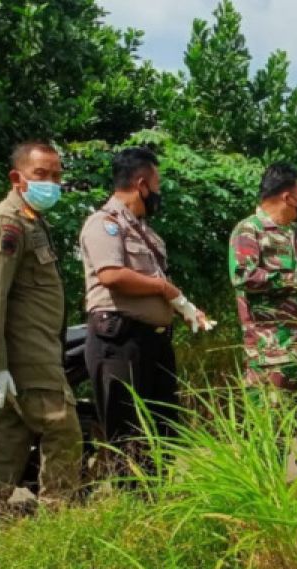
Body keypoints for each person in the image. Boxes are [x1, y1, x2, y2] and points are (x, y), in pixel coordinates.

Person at [0, 141, 81, 516]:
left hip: (38, 348)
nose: (51, 182)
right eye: (41, 174)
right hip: (26, 351)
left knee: (13, 438)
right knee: (62, 429)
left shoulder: (32, 219)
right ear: (17, 178)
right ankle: (57, 516)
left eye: (56, 175)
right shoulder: (9, 222)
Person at [79, 147, 210, 463]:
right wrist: (166, 289)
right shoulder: (104, 224)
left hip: (154, 341)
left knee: (163, 430)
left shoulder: (145, 232)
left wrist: (185, 306)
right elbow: (111, 275)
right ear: (141, 184)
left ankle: (161, 504)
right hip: (121, 340)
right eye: (157, 184)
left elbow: (153, 285)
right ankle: (133, 506)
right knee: (129, 434)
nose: (158, 192)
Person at [229, 162, 297, 396]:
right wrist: (295, 280)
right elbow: (243, 276)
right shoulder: (249, 230)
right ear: (287, 197)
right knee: (274, 428)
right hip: (273, 354)